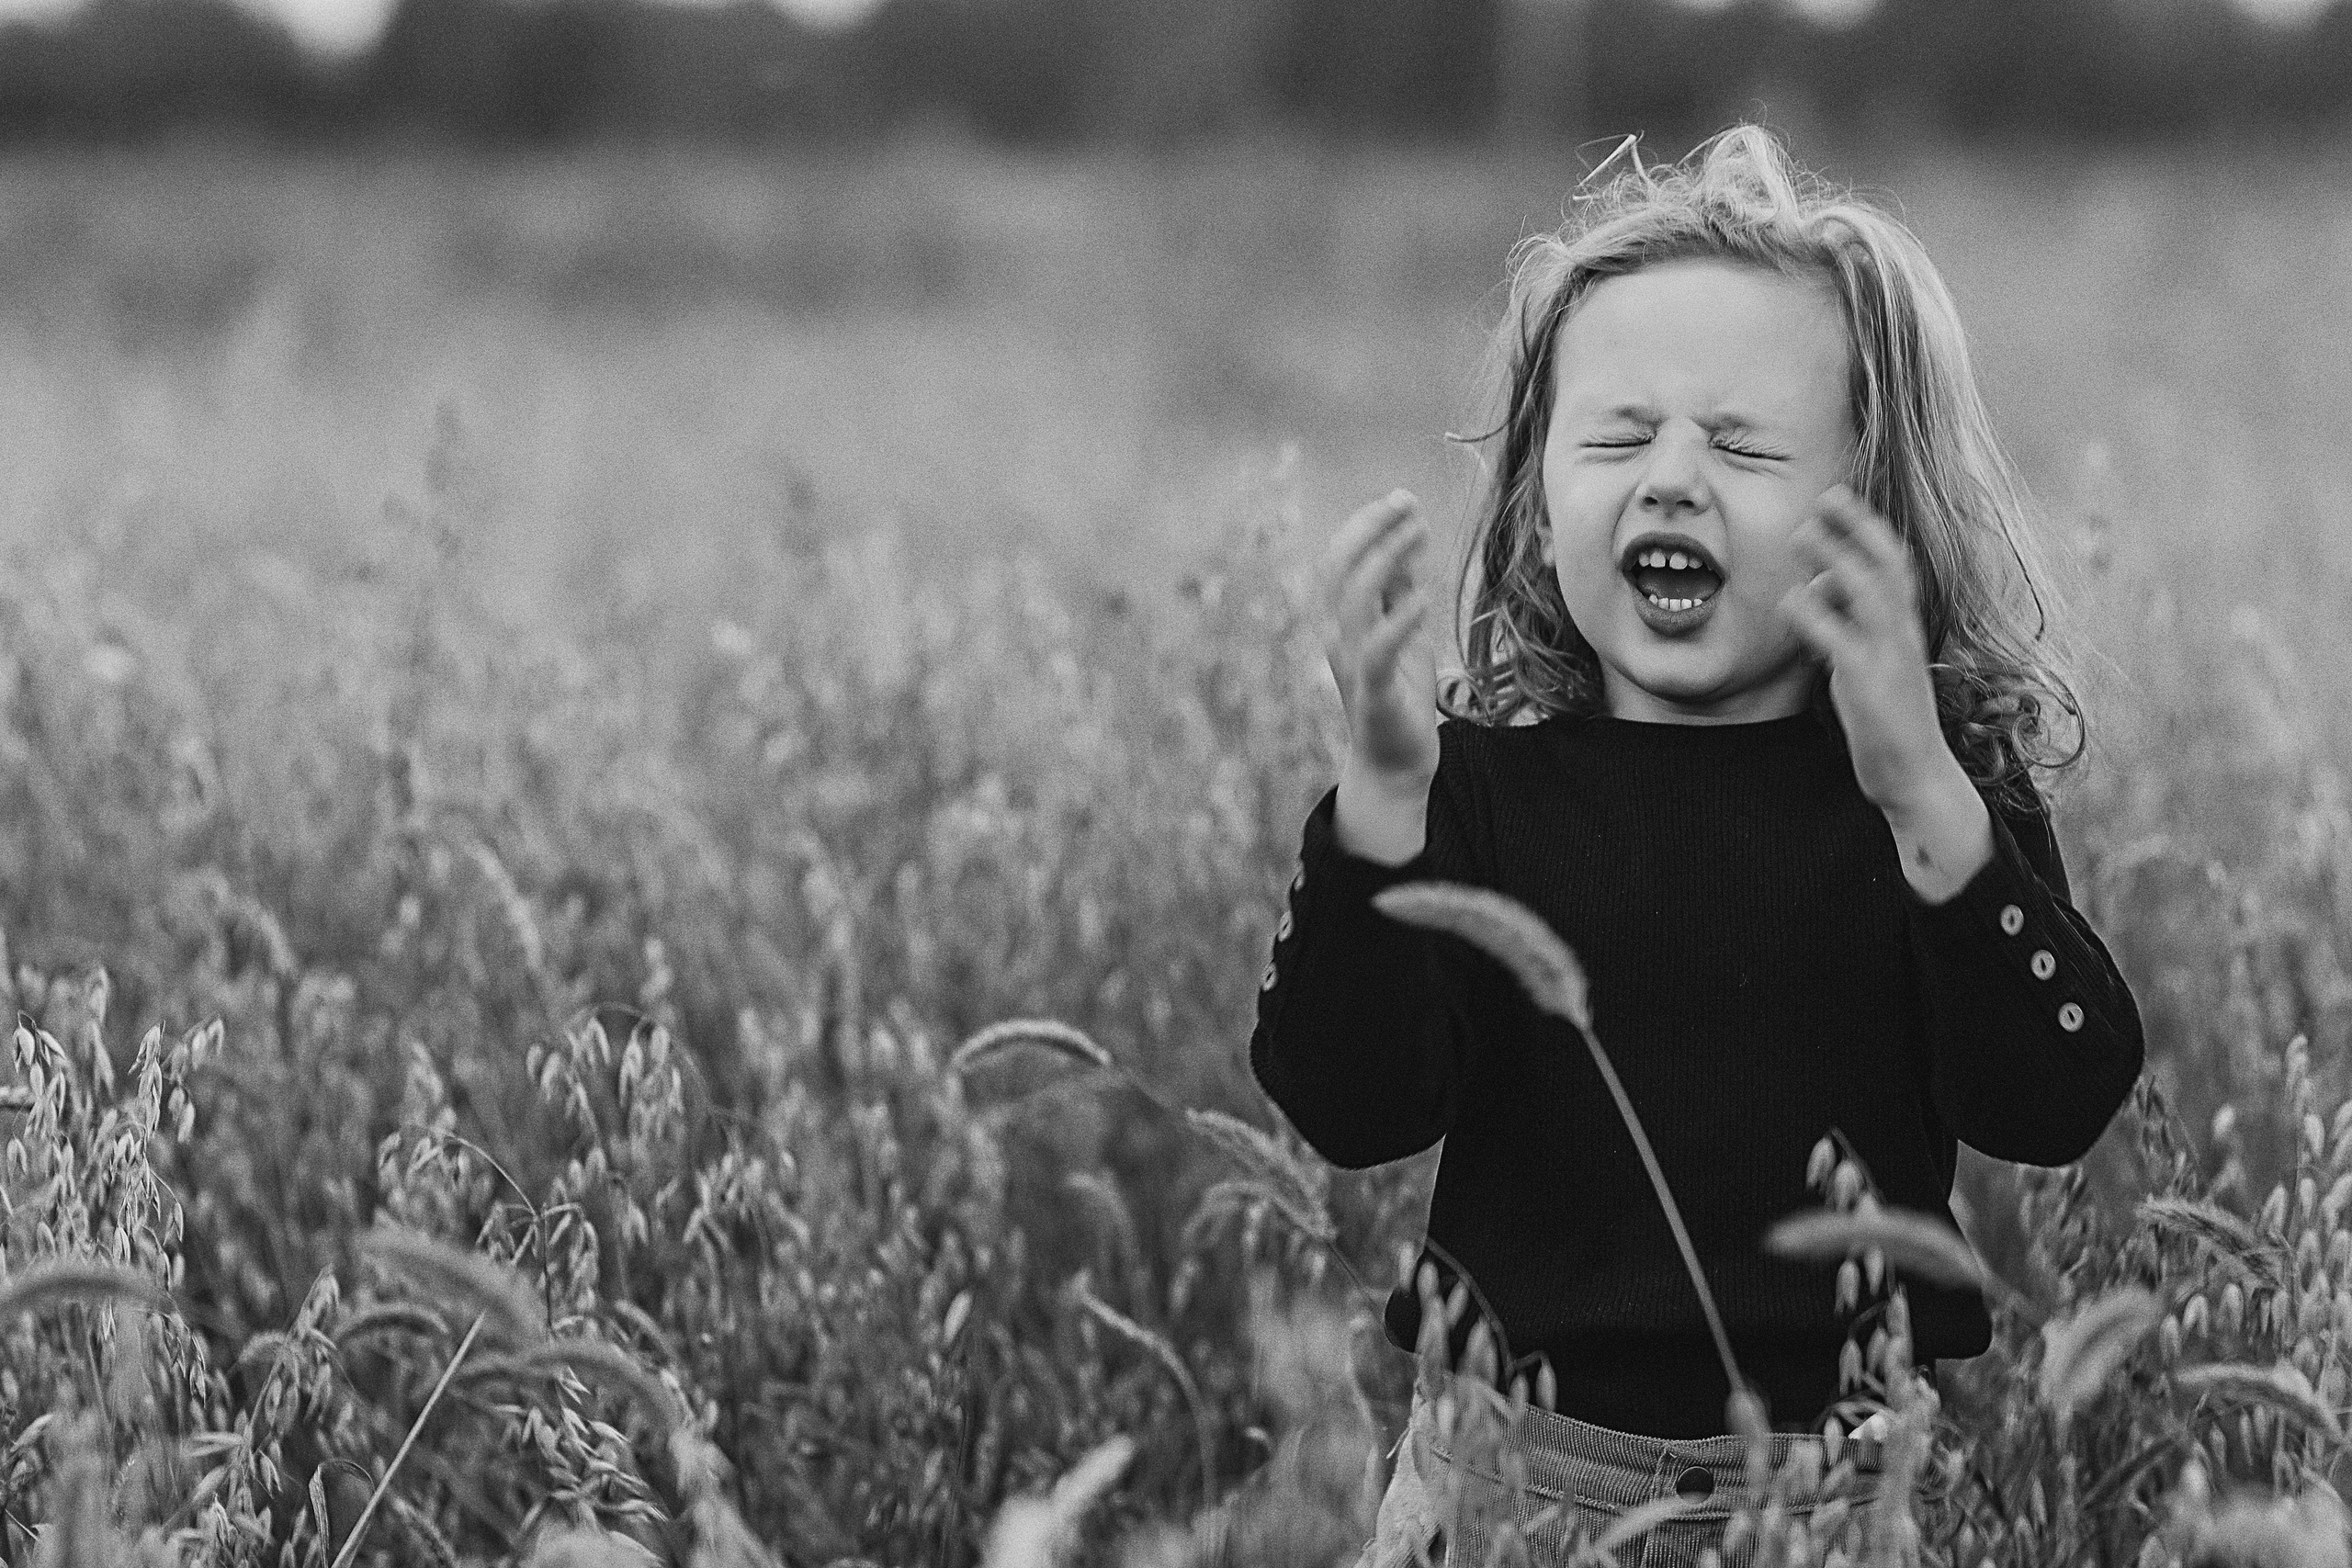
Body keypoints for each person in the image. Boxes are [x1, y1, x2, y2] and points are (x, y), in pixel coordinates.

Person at [1249, 125, 2145, 1567]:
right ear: (1543, 507)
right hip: (1511, 1485)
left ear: (1870, 511)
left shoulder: (1924, 796)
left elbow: (2056, 1093)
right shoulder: (1472, 794)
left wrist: (1930, 803)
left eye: (1740, 444)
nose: (1670, 478)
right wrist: (1376, 805)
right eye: (1615, 436)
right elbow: (1352, 1104)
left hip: (1840, 1497)